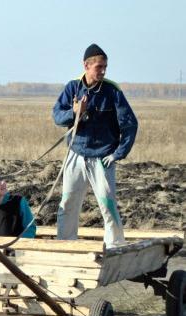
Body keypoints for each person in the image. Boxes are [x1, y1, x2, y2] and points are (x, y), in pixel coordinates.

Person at [52, 44, 138, 248]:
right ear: (86, 65)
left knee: (107, 204)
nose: (103, 71)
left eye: (105, 67)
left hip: (102, 157)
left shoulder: (112, 91)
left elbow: (130, 124)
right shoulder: (72, 87)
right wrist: (74, 112)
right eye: (99, 67)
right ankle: (65, 244)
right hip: (75, 154)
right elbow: (57, 115)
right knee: (68, 203)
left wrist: (119, 153)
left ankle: (115, 246)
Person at [0, 172, 36, 238]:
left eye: (2, 179)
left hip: (17, 246)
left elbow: (30, 228)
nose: (3, 183)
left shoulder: (19, 201)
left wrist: (20, 243)